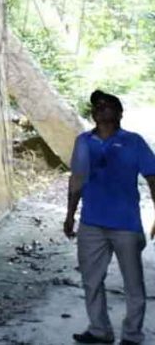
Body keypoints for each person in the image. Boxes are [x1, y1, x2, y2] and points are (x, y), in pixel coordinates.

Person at [64, 90, 155, 344]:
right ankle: (99, 330)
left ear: (119, 113)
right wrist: (70, 215)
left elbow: (152, 178)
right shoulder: (83, 142)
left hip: (126, 224)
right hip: (91, 223)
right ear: (92, 114)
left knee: (133, 284)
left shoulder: (134, 142)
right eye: (97, 106)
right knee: (91, 281)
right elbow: (77, 180)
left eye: (107, 105)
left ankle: (132, 335)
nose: (101, 109)